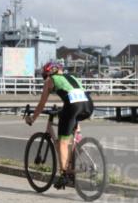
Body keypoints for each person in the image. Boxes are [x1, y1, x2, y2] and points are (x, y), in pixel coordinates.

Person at [25, 61, 93, 189]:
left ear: (48, 73)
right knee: (68, 117)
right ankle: (77, 138)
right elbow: (74, 96)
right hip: (88, 105)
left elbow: (41, 104)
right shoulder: (71, 77)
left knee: (62, 141)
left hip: (74, 106)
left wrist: (32, 118)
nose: (45, 78)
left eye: (45, 75)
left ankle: (64, 175)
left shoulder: (51, 80)